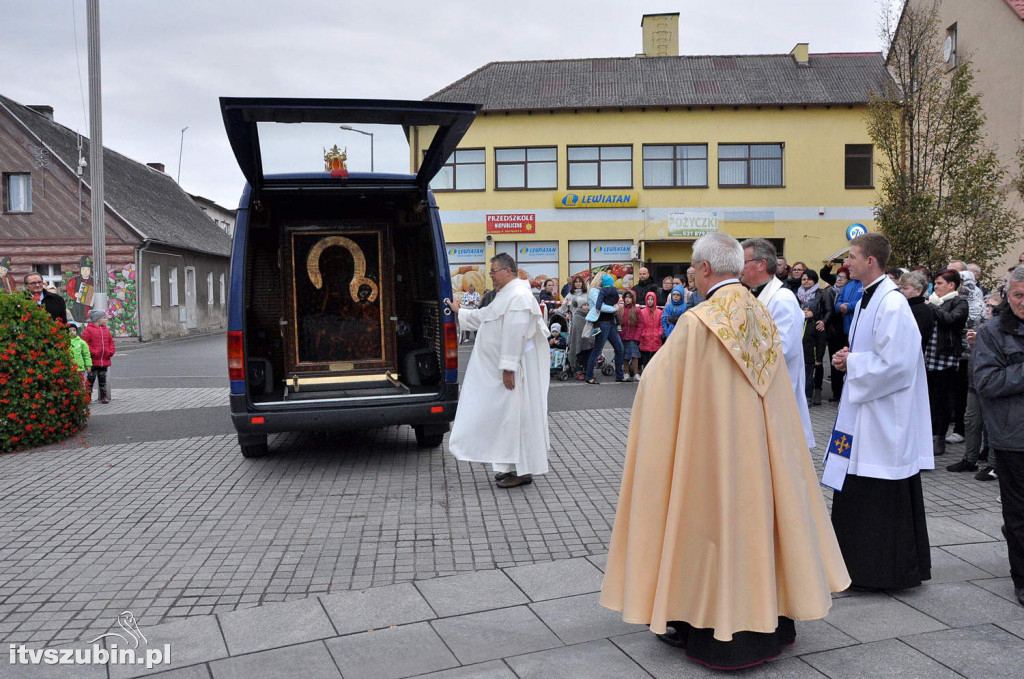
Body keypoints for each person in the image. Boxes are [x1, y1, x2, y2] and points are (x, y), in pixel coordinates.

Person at [600, 232, 850, 670]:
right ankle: (773, 618)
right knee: (762, 526)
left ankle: (711, 624)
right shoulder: (762, 311)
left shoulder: (700, 323)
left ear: (707, 269)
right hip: (763, 450)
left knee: (710, 530)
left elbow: (657, 387)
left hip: (711, 455)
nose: (692, 275)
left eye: (694, 268)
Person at [828, 233, 933, 591]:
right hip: (864, 413)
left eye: (853, 257)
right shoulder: (865, 299)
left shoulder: (892, 304)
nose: (847, 264)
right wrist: (847, 357)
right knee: (856, 490)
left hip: (884, 418)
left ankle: (883, 571)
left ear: (871, 260)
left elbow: (898, 365)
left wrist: (853, 362)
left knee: (878, 497)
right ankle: (855, 566)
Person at [446, 253, 550, 489]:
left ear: (508, 271)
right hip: (501, 371)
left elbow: (515, 334)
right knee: (506, 419)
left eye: (493, 271)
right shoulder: (506, 294)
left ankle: (522, 471)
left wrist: (508, 368)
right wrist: (459, 311)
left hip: (512, 373)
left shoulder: (519, 296)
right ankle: (508, 466)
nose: (490, 275)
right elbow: (485, 316)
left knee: (516, 418)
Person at [973, 265, 1024, 606]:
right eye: (1019, 295)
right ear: (1007, 295)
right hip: (1013, 438)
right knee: (1019, 513)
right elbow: (986, 382)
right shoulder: (992, 331)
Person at [740, 238, 814, 449]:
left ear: (761, 264)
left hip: (777, 392)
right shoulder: (752, 295)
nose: (740, 268)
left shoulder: (782, 299)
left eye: (743, 261)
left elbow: (783, 348)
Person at [947, 291, 1002, 474]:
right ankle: (970, 459)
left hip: (992, 384)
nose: (987, 308)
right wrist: (973, 344)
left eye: (991, 306)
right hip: (974, 381)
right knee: (971, 421)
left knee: (992, 424)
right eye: (986, 304)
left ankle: (994, 465)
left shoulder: (1002, 329)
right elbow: (978, 356)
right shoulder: (982, 325)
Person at [924, 270, 968, 456]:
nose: (936, 287)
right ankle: (926, 436)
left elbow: (951, 320)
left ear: (952, 285)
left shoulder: (959, 302)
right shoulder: (931, 301)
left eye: (940, 283)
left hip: (945, 358)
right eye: (935, 283)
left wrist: (931, 307)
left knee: (940, 401)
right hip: (927, 356)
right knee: (927, 400)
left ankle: (938, 439)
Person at [584, 274, 625, 385]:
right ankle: (589, 376)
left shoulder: (607, 290)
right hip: (601, 323)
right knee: (597, 350)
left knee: (619, 348)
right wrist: (614, 309)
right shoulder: (594, 291)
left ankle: (620, 375)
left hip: (611, 322)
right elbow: (600, 306)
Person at [797, 269, 828, 406]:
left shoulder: (822, 294)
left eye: (809, 279)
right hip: (800, 350)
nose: (806, 281)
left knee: (810, 376)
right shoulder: (796, 295)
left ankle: (811, 396)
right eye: (803, 279)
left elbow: (828, 310)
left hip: (812, 351)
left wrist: (819, 358)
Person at [824, 266, 851, 402]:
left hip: (844, 331)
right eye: (838, 277)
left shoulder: (849, 292)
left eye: (843, 277)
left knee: (844, 362)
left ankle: (843, 393)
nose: (839, 279)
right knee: (834, 361)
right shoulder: (830, 290)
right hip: (832, 331)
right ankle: (836, 393)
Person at [83, 309, 116, 404]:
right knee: (90, 379)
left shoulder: (106, 330)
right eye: (104, 318)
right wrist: (93, 352)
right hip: (93, 360)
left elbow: (111, 342)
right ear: (97, 319)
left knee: (102, 379)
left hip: (104, 359)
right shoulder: (88, 330)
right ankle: (87, 397)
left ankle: (103, 395)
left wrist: (110, 351)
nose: (105, 320)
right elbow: (85, 344)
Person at [898, 271, 934, 351]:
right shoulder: (903, 306)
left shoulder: (922, 310)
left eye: (905, 288)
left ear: (918, 290)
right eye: (900, 287)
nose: (901, 291)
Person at [834, 266, 864, 344]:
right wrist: (840, 306)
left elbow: (863, 301)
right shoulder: (848, 285)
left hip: (858, 328)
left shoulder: (865, 284)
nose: (850, 271)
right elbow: (838, 302)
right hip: (845, 328)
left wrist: (847, 307)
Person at [618, 290, 642, 381]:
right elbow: (618, 323)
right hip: (623, 336)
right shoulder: (621, 310)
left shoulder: (637, 310)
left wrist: (637, 336)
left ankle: (636, 373)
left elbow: (640, 324)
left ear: (633, 299)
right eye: (626, 297)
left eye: (630, 297)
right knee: (624, 356)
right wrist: (619, 334)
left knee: (634, 355)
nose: (627, 299)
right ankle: (627, 372)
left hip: (633, 336)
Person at [637, 291, 662, 373]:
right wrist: (643, 333)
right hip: (645, 338)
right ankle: (645, 372)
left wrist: (659, 332)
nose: (650, 301)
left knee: (655, 357)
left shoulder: (659, 312)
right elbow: (640, 324)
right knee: (645, 358)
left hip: (656, 337)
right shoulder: (642, 312)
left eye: (652, 299)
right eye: (648, 299)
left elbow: (661, 324)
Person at [68, 321, 92, 391]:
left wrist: (88, 365)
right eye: (70, 330)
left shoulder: (81, 342)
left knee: (80, 384)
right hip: (69, 368)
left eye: (74, 330)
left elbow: (86, 354)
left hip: (80, 368)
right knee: (70, 385)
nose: (72, 332)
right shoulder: (65, 341)